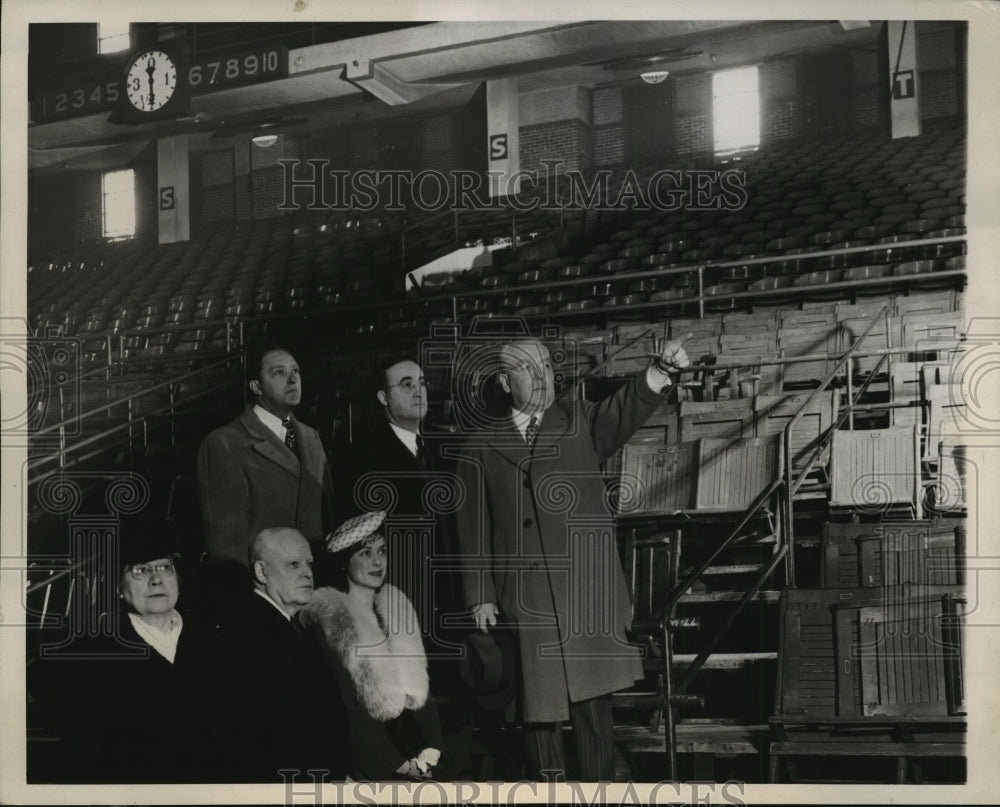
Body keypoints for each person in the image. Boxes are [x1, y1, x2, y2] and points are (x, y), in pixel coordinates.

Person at [453, 335, 690, 781]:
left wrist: (660, 371)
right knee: (537, 712)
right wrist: (479, 597)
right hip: (524, 599)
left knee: (592, 707)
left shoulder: (579, 420)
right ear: (505, 382)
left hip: (581, 594)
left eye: (546, 366)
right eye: (529, 369)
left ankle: (600, 789)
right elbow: (472, 530)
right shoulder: (479, 444)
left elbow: (624, 409)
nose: (543, 376)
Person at [52, 524, 220, 783]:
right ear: (119, 587)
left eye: (165, 567)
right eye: (140, 570)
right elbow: (84, 752)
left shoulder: (216, 639)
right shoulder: (94, 654)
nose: (156, 579)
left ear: (178, 580)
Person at [299, 511, 446, 782]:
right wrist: (396, 764)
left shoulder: (396, 609)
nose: (377, 561)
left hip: (414, 752)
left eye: (382, 550)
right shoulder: (331, 620)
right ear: (345, 563)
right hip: (367, 760)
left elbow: (421, 689)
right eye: (365, 553)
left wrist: (432, 747)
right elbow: (348, 707)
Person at [211, 527, 348, 782]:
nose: (307, 573)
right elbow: (268, 735)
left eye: (309, 564)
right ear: (262, 572)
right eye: (293, 564)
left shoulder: (289, 624)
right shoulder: (249, 633)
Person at [197, 345, 335, 578]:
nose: (292, 380)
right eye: (279, 373)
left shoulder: (312, 437)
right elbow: (226, 544)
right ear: (256, 386)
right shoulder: (224, 442)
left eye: (295, 371)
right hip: (265, 587)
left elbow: (328, 515)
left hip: (315, 582)